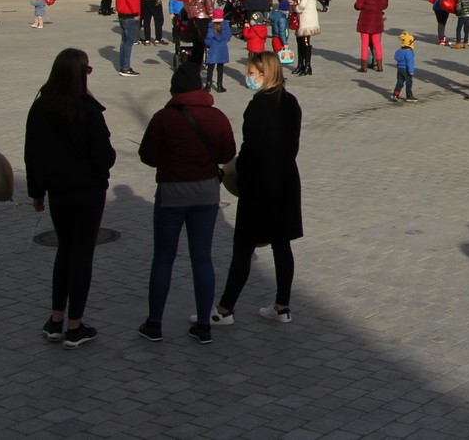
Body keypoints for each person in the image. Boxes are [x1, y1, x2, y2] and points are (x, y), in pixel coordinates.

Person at [138, 60, 236, 345]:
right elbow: (227, 153)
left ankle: (154, 323)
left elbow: (148, 156)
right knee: (202, 258)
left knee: (163, 258)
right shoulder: (217, 117)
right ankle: (204, 324)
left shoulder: (163, 118)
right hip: (206, 193)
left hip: (171, 193)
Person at [202, 52, 302, 328]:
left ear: (264, 73)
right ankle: (282, 305)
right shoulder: (290, 102)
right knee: (282, 245)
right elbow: (292, 146)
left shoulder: (259, 105)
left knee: (243, 248)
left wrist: (236, 176)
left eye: (252, 73)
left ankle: (224, 309)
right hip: (285, 180)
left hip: (260, 184)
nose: (249, 77)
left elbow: (250, 149)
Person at [24, 48, 116, 349]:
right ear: (79, 76)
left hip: (58, 193)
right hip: (88, 192)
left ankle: (55, 319)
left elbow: (32, 155)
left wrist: (37, 192)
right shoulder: (88, 111)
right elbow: (104, 157)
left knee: (64, 251)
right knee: (82, 255)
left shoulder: (41, 108)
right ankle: (75, 326)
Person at [354, 0, 388, 73]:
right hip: (377, 19)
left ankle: (363, 67)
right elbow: (384, 5)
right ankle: (380, 66)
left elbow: (358, 5)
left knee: (364, 44)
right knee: (377, 44)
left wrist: (366, 6)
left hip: (365, 20)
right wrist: (376, 7)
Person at [115, 0, 142, 77]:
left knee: (124, 41)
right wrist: (135, 12)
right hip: (130, 14)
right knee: (129, 42)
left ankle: (123, 65)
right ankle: (125, 67)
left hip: (122, 13)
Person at [182, 0, 215, 67]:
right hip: (203, 21)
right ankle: (197, 61)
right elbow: (210, 8)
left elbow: (185, 6)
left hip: (191, 21)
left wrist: (190, 14)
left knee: (195, 42)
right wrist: (212, 17)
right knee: (201, 43)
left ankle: (192, 58)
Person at [291, 0, 320, 76]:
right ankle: (300, 65)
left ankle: (307, 65)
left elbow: (303, 4)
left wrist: (296, 8)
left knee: (305, 41)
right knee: (299, 41)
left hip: (307, 17)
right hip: (301, 17)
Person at [204, 8, 232, 93]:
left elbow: (207, 39)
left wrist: (208, 44)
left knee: (210, 67)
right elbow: (228, 36)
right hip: (223, 48)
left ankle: (208, 85)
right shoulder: (225, 25)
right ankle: (219, 85)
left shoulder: (210, 26)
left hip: (213, 48)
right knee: (220, 67)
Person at [393, 32, 417, 102]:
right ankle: (409, 96)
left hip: (399, 69)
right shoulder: (409, 52)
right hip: (406, 70)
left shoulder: (399, 51)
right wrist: (411, 71)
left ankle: (395, 94)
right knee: (409, 83)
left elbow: (396, 58)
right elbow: (410, 62)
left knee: (399, 82)